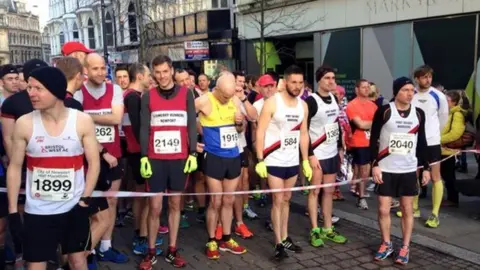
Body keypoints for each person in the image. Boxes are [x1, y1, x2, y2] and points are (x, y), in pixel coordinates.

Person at [6, 66, 101, 270]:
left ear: (55, 90)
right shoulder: (24, 123)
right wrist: (13, 211)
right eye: (29, 87)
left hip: (73, 208)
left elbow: (94, 163)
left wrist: (84, 202)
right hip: (38, 212)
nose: (31, 93)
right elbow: (14, 167)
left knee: (77, 261)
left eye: (37, 88)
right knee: (36, 265)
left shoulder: (82, 121)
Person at [138, 55, 198, 268]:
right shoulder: (147, 96)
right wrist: (144, 156)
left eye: (165, 71)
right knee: (154, 207)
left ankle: (172, 249)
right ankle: (151, 251)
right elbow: (144, 128)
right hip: (155, 158)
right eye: (157, 72)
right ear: (153, 73)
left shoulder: (186, 93)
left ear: (171, 70)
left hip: (179, 157)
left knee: (174, 205)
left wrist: (193, 152)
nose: (162, 76)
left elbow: (191, 123)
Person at [74, 53, 128, 263]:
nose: (100, 72)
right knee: (90, 207)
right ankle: (91, 250)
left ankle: (106, 245)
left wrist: (86, 117)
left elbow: (116, 118)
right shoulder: (79, 92)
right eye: (95, 68)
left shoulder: (114, 89)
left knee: (111, 202)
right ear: (86, 70)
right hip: (88, 158)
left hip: (113, 155)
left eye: (103, 68)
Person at [370, 77, 430, 265]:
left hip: (408, 169)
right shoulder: (385, 111)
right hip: (386, 168)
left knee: (407, 209)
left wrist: (425, 168)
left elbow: (422, 142)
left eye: (412, 90)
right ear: (396, 92)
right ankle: (386, 243)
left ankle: (404, 247)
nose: (410, 94)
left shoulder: (419, 113)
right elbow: (373, 139)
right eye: (405, 90)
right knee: (383, 209)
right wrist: (375, 164)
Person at [255, 65, 312, 261]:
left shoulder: (303, 106)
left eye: (300, 83)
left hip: (292, 159)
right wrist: (260, 159)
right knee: (278, 201)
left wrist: (305, 160)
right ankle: (278, 242)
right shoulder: (272, 103)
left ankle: (286, 237)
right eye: (293, 82)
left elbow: (303, 134)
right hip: (273, 159)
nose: (297, 86)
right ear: (285, 82)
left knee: (286, 199)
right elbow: (260, 131)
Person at [0, 59, 47, 269]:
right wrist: (16, 164)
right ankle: (22, 249)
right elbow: (8, 138)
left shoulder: (53, 98)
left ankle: (44, 250)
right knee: (21, 208)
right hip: (24, 165)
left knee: (46, 208)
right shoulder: (12, 103)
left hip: (49, 166)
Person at [196, 72, 247, 260]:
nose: (227, 99)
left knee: (228, 200)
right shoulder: (204, 100)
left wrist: (239, 123)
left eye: (230, 95)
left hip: (233, 155)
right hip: (214, 156)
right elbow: (183, 118)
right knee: (216, 201)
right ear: (216, 89)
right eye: (224, 95)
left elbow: (241, 129)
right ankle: (211, 239)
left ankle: (226, 238)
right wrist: (192, 142)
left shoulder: (234, 100)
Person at [306, 66, 347, 248]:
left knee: (329, 192)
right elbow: (303, 131)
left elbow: (335, 124)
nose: (331, 81)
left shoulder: (333, 98)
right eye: (327, 78)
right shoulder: (311, 101)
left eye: (333, 78)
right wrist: (309, 155)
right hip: (317, 154)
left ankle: (327, 228)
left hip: (331, 152)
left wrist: (339, 147)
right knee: (315, 191)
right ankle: (315, 229)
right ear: (319, 80)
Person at [405, 65, 448, 228]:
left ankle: (435, 214)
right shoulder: (411, 94)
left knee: (435, 176)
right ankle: (414, 208)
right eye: (424, 77)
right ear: (417, 78)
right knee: (413, 174)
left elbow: (443, 118)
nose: (427, 79)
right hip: (414, 142)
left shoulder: (438, 96)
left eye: (429, 76)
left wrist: (433, 134)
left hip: (432, 142)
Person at [122, 63, 156, 256]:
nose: (151, 78)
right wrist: (148, 151)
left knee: (141, 193)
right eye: (149, 75)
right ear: (140, 76)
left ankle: (141, 233)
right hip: (139, 152)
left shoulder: (129, 96)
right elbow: (138, 127)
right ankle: (141, 236)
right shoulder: (133, 98)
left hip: (135, 151)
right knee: (144, 195)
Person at [346, 79, 377, 210]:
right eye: (363, 87)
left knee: (369, 168)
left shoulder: (373, 105)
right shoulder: (352, 105)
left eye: (368, 87)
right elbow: (360, 124)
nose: (366, 89)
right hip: (358, 141)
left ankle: (361, 190)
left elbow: (378, 123)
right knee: (363, 169)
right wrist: (374, 124)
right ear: (357, 89)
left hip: (372, 141)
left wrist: (371, 124)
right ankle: (361, 197)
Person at [440, 90, 467, 207]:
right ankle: (451, 197)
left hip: (448, 151)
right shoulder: (448, 113)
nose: (445, 102)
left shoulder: (457, 114)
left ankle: (453, 199)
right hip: (443, 149)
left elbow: (455, 133)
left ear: (454, 102)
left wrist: (439, 139)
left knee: (449, 175)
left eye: (447, 100)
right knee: (446, 174)